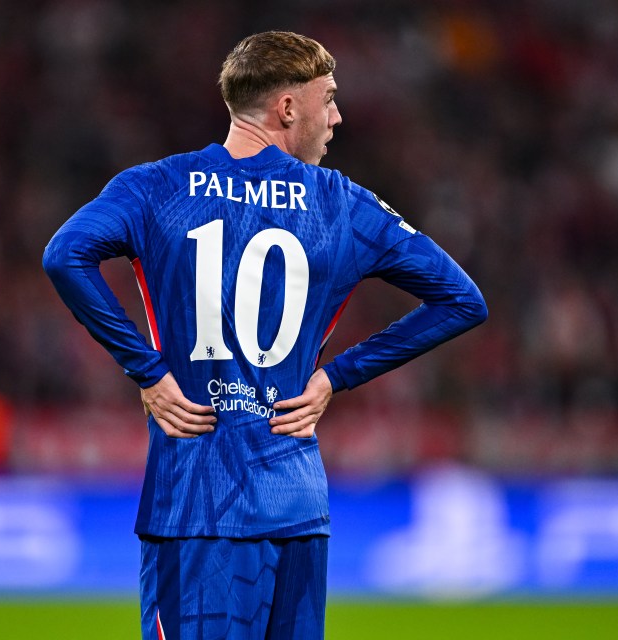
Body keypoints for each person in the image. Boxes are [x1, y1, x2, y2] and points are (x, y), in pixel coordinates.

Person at [43, 30, 487, 640]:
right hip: (295, 501)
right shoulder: (341, 203)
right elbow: (462, 299)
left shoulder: (157, 187)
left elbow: (65, 255)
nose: (337, 116)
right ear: (286, 108)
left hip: (195, 503)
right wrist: (337, 376)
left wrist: (145, 370)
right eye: (326, 98)